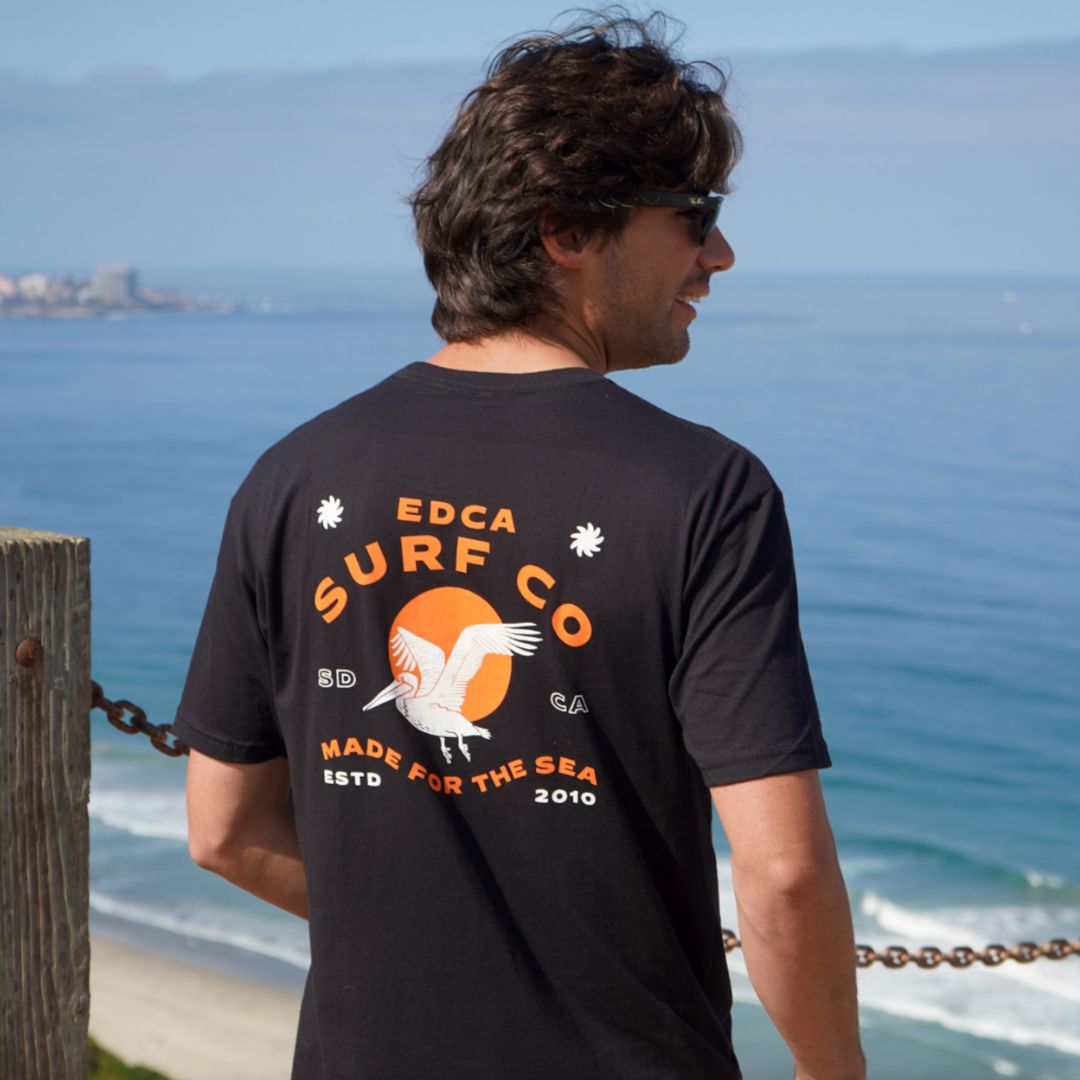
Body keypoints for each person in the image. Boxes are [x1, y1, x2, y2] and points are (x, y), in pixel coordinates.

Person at [175, 10, 865, 1079]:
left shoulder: (292, 476)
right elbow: (780, 877)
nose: (719, 253)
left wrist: (440, 937)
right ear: (566, 232)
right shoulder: (702, 491)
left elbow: (223, 831)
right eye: (693, 214)